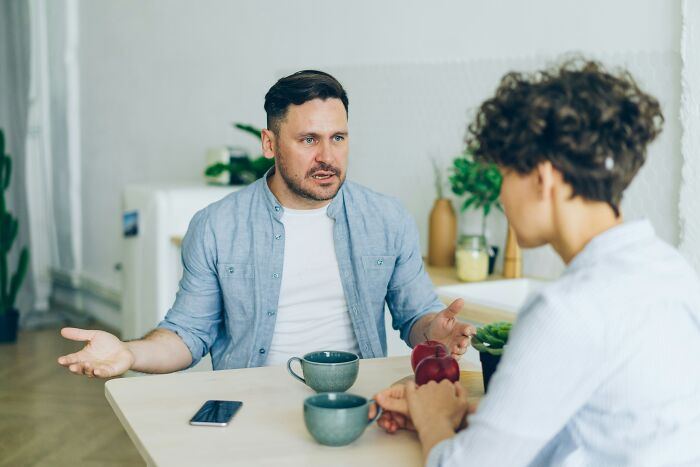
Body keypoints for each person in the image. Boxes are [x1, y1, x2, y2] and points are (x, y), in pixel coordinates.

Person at [372, 60, 700, 466]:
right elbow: (600, 425)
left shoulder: (567, 310)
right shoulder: (671, 270)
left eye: (506, 173)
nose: (502, 195)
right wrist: (463, 419)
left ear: (542, 179)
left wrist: (433, 417)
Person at [57, 70, 474, 378]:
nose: (327, 156)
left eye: (338, 138)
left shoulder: (387, 218)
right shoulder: (217, 226)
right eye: (309, 140)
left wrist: (434, 328)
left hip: (357, 401)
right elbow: (187, 334)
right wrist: (129, 353)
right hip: (250, 401)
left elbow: (415, 317)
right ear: (269, 143)